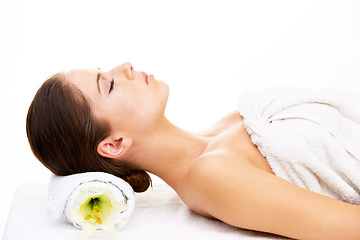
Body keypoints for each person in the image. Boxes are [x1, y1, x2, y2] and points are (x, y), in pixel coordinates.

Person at [26, 62, 360, 239]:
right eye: (108, 84)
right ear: (114, 144)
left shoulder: (228, 123)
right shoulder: (211, 177)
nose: (125, 66)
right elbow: (347, 227)